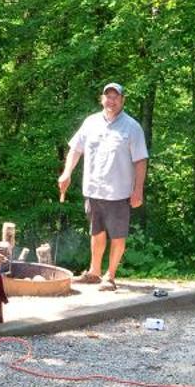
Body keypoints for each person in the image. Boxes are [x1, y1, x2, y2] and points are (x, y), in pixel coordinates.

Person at [57, 81, 148, 291]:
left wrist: (138, 190)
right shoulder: (90, 122)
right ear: (102, 99)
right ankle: (94, 272)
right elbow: (75, 150)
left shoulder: (132, 127)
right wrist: (67, 173)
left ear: (122, 100)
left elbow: (141, 161)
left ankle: (110, 276)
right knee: (96, 231)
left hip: (118, 192)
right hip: (93, 189)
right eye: (108, 96)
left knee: (117, 235)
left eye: (116, 97)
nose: (111, 100)